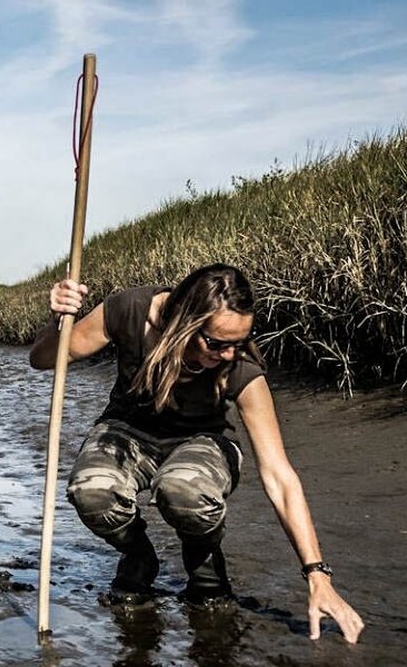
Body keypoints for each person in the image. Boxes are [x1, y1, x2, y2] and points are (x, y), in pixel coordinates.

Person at [30, 263, 364, 643]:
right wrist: (59, 321)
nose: (228, 354)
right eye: (217, 343)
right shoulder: (129, 309)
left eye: (238, 342)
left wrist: (317, 575)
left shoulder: (240, 368)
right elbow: (43, 359)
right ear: (182, 323)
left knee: (182, 491)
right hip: (127, 430)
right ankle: (139, 556)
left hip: (203, 442)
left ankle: (203, 561)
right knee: (91, 492)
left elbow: (279, 476)